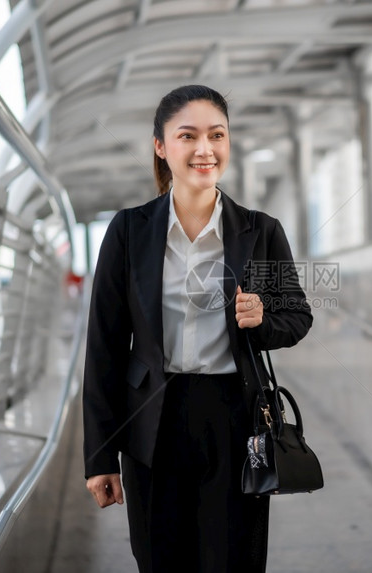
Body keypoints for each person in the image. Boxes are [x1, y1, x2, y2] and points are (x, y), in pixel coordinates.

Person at [82, 84, 313, 573]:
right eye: (188, 136)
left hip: (236, 419)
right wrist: (99, 455)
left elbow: (297, 315)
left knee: (234, 561)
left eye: (217, 135)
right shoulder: (128, 232)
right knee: (160, 560)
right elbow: (104, 347)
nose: (204, 149)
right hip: (151, 423)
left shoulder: (260, 230)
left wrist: (262, 320)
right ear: (161, 147)